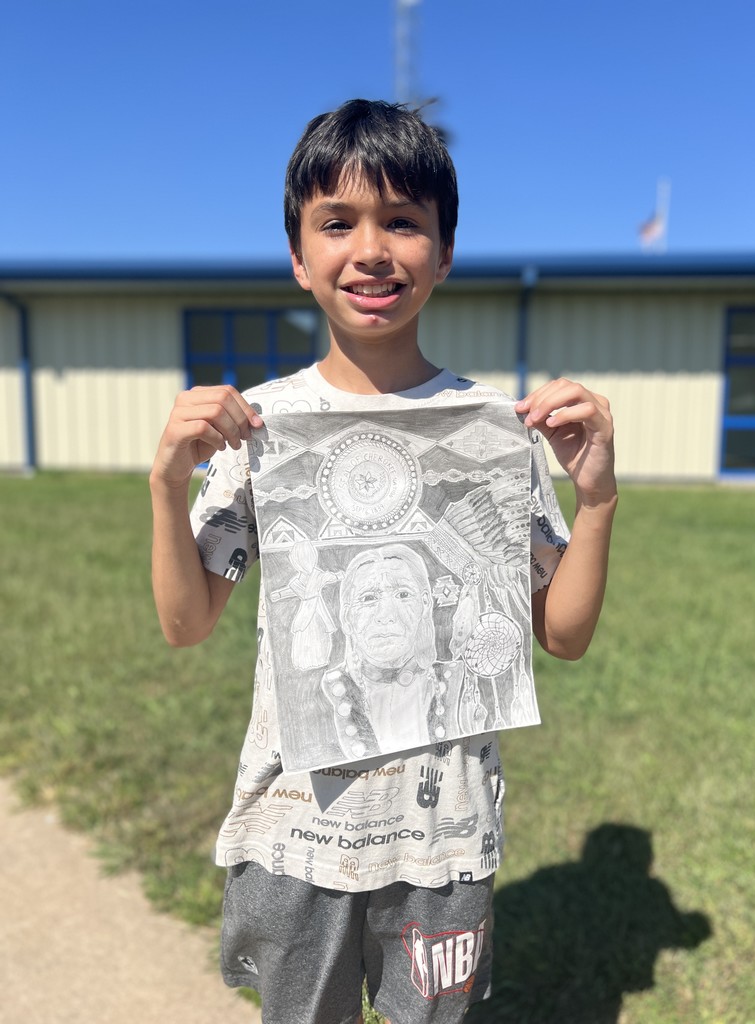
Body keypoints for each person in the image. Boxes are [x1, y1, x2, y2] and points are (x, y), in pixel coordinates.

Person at [150, 98, 617, 1024]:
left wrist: (596, 499)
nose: (372, 249)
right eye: (337, 222)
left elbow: (560, 635)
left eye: (404, 221)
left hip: (442, 839)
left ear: (443, 253)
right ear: (298, 256)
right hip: (297, 832)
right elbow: (185, 620)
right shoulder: (258, 428)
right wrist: (168, 483)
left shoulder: (496, 433)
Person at [321, 543, 463, 759]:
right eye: (369, 598)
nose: (386, 614)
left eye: (403, 594)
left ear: (425, 605)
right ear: (346, 617)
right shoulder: (329, 692)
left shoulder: (458, 681)